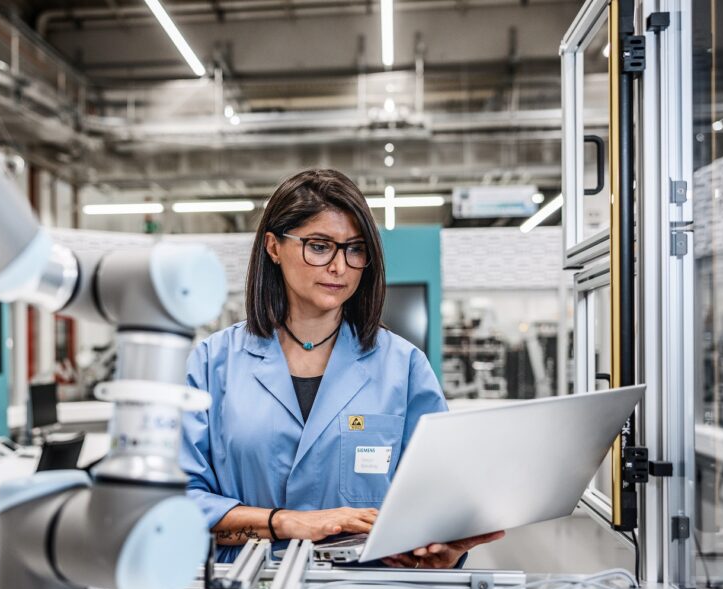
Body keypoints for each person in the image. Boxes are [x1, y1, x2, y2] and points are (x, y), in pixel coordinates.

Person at [180, 169, 504, 566]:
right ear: (273, 247)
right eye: (319, 246)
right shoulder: (214, 363)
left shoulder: (403, 367)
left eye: (355, 249)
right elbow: (181, 502)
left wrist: (442, 554)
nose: (339, 266)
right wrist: (286, 523)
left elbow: (436, 500)